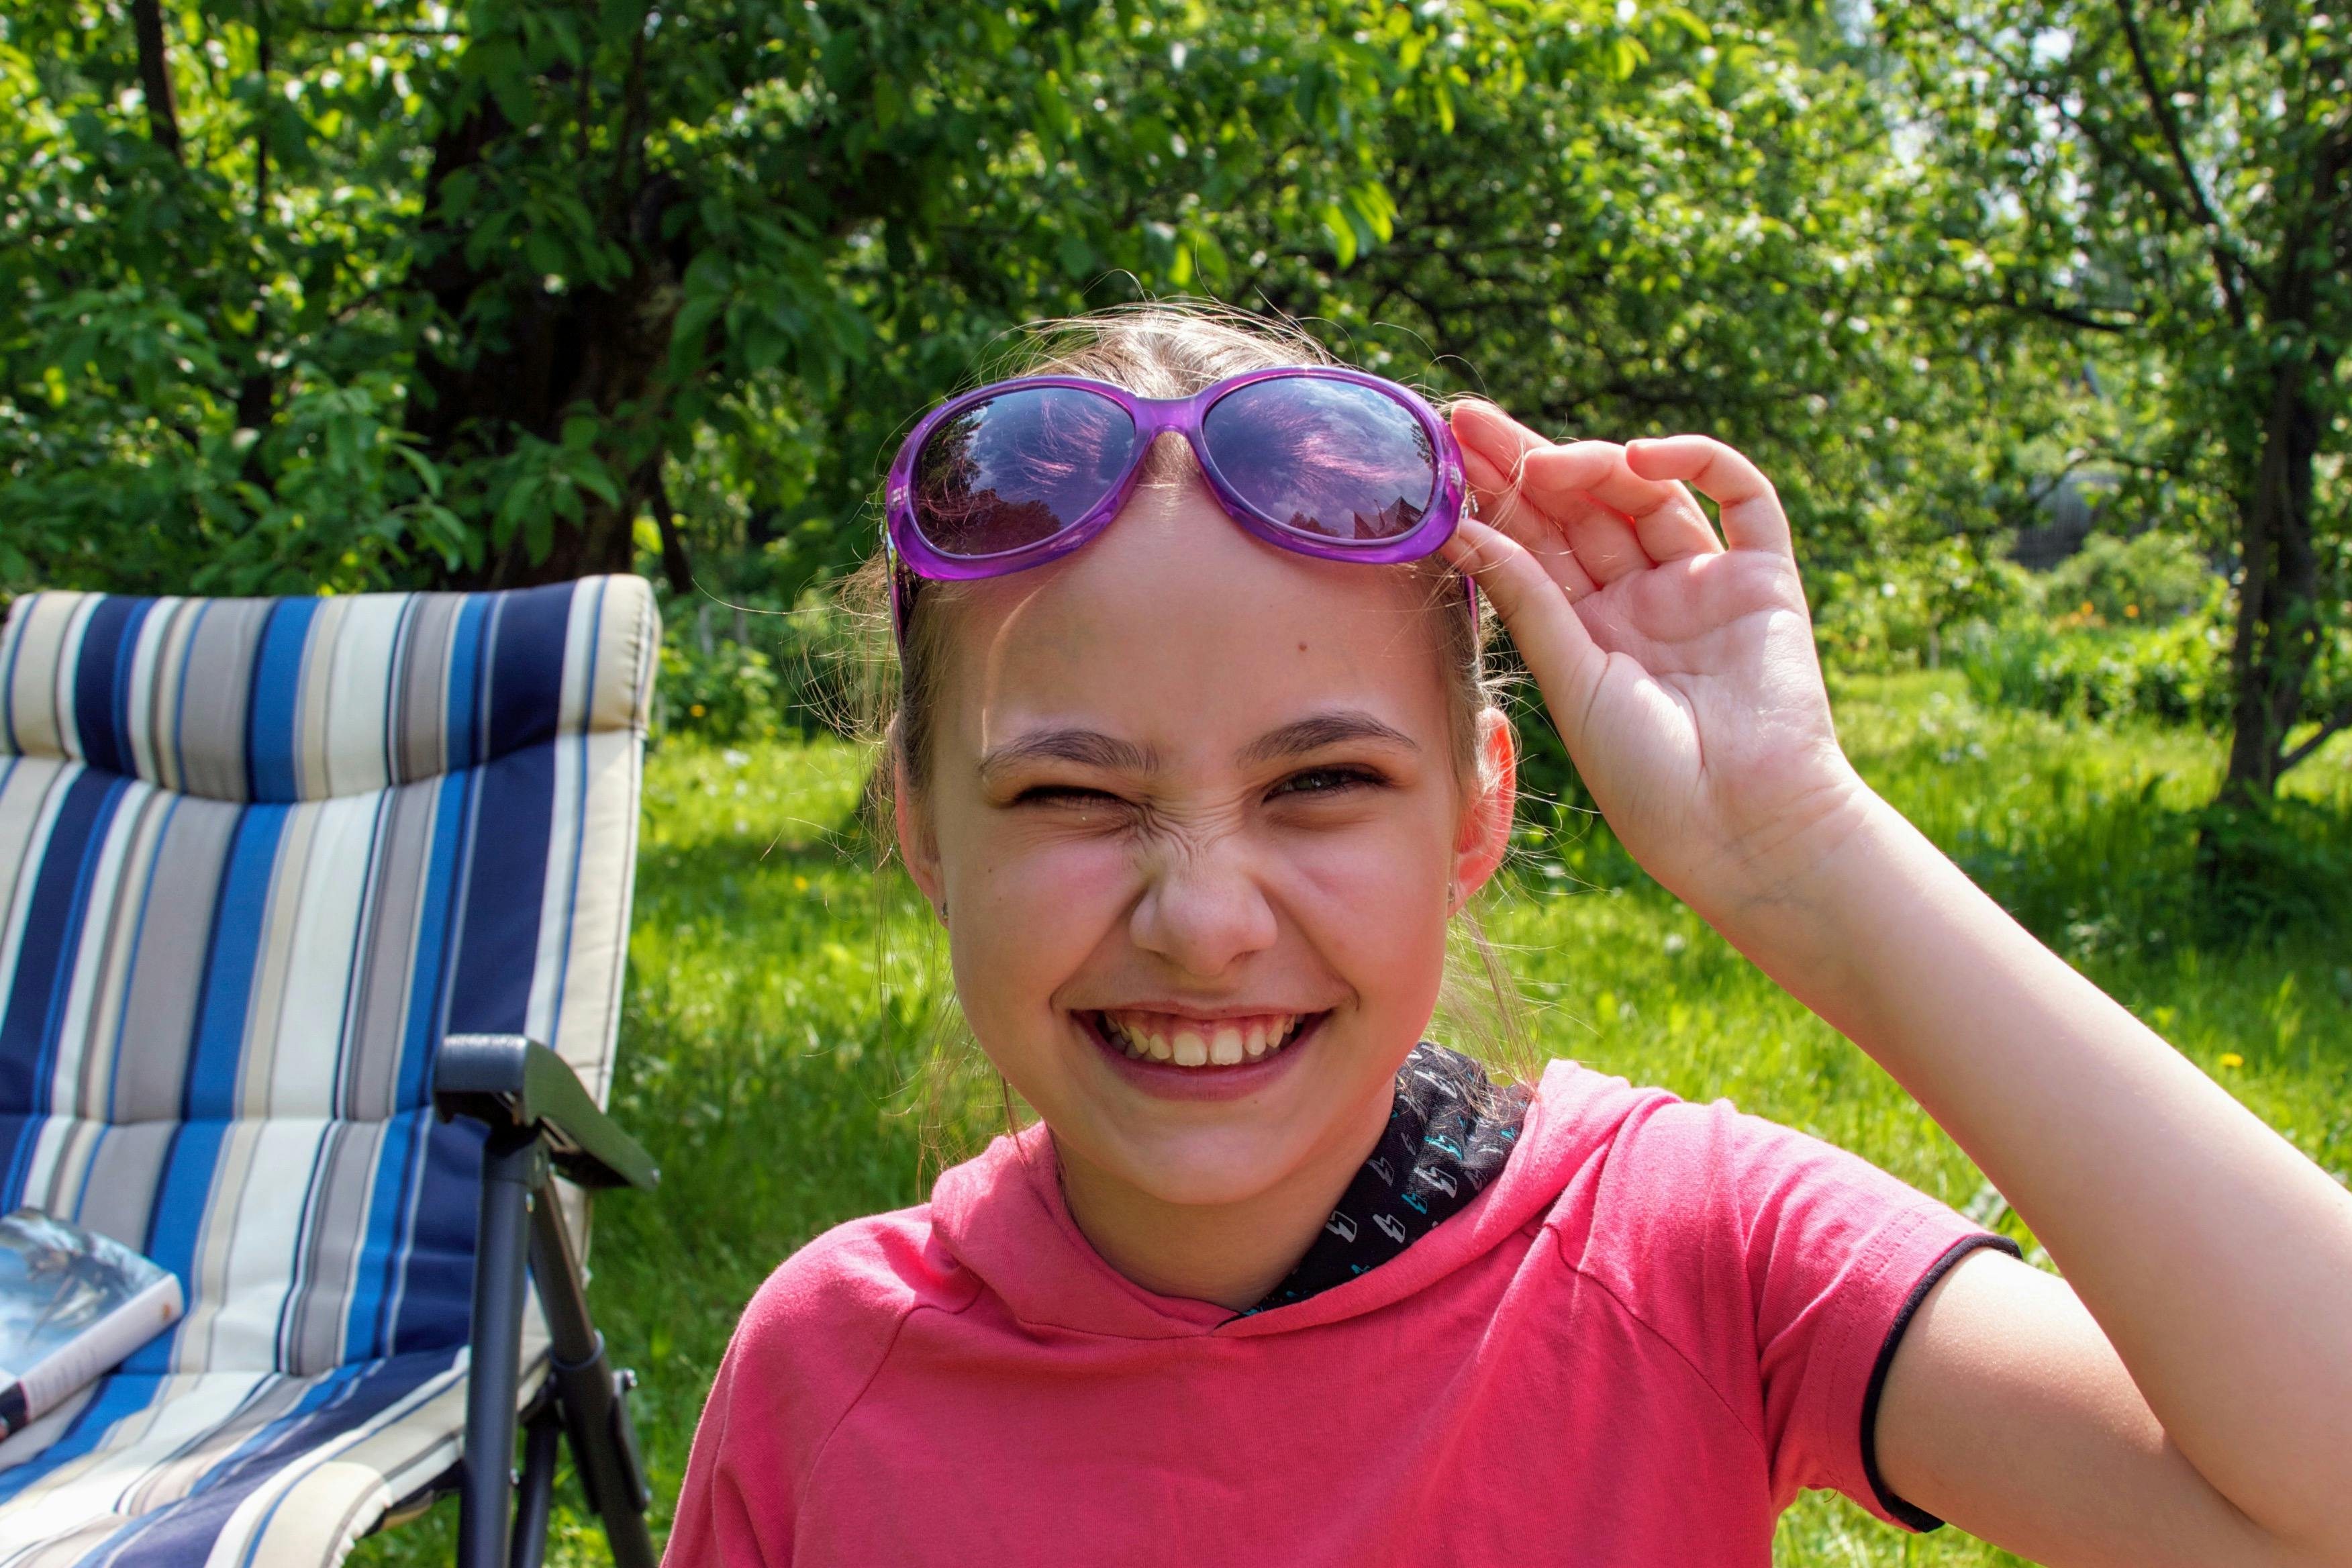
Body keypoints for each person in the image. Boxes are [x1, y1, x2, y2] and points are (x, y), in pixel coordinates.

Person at [663, 308, 2352, 1567]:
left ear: (1475, 815)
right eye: (1068, 798)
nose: (1203, 919)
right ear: (923, 832)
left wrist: (1802, 849)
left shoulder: (1689, 1255)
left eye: (1321, 781)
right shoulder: (828, 1373)